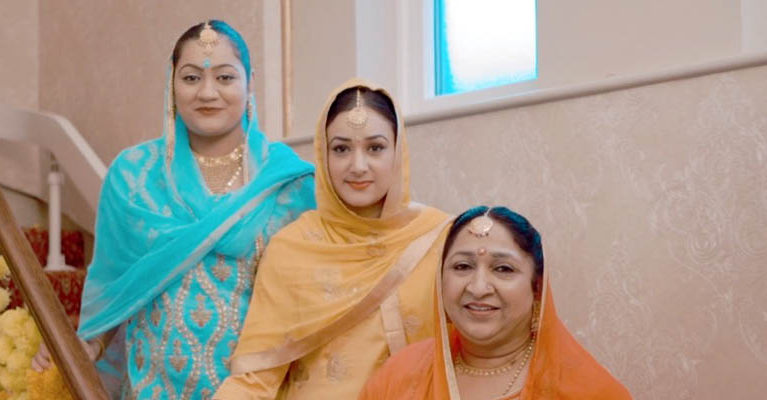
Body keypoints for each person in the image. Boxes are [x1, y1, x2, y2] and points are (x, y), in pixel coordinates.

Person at [32, 20, 315, 399]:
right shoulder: (134, 177)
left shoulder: (289, 183)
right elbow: (114, 286)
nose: (208, 93)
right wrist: (87, 344)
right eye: (192, 77)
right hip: (153, 388)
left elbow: (312, 301)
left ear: (250, 83)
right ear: (172, 83)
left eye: (225, 77)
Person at [214, 79, 451, 399]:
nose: (358, 166)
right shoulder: (292, 248)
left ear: (398, 152)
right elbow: (255, 378)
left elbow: (473, 354)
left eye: (375, 148)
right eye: (341, 149)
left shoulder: (440, 239)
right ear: (323, 155)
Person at [358, 206, 632, 399]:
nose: (478, 288)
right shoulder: (400, 375)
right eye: (462, 266)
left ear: (537, 287)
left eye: (503, 269)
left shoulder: (586, 390)